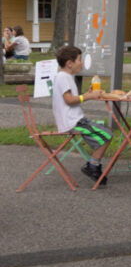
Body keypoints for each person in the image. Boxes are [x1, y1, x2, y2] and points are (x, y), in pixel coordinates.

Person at [52, 45, 114, 186]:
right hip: (73, 122)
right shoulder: (63, 77)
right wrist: (88, 96)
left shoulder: (66, 77)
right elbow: (69, 100)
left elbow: (72, 98)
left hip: (76, 120)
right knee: (107, 135)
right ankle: (92, 166)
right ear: (69, 63)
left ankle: (93, 164)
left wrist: (87, 93)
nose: (82, 63)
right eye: (79, 59)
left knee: (106, 132)